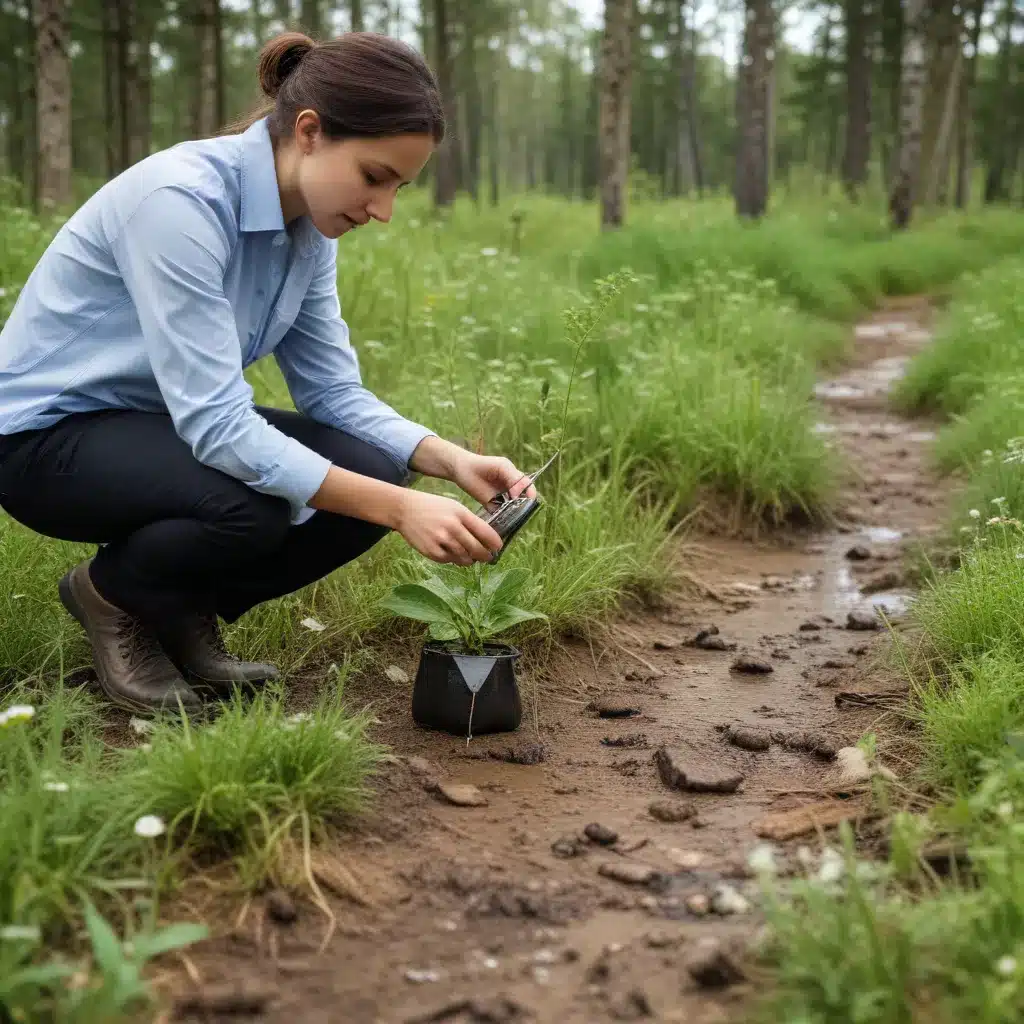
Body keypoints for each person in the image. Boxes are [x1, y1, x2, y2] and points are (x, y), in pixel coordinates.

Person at [0, 31, 534, 716]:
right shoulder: (179, 202)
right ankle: (115, 596)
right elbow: (219, 427)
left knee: (374, 466)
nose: (383, 211)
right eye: (374, 177)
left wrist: (449, 459)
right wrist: (402, 511)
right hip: (44, 441)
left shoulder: (308, 229)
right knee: (255, 502)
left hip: (152, 429)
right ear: (309, 132)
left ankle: (174, 608)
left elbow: (332, 392)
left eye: (399, 188)